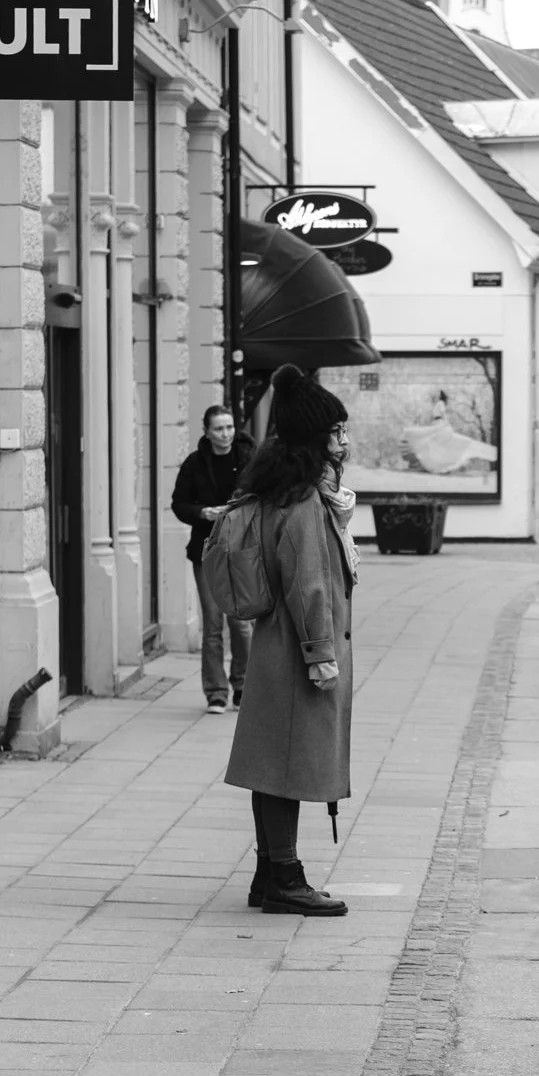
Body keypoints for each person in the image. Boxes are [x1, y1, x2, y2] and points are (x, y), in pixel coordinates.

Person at [222, 365, 356, 918]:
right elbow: (309, 587)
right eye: (336, 433)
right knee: (286, 770)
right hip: (299, 655)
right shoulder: (303, 504)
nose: (345, 442)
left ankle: (267, 876)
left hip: (281, 650)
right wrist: (321, 655)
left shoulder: (291, 493)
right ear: (313, 440)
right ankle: (285, 878)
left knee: (274, 767)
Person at [171, 405, 256, 714]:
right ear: (206, 431)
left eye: (230, 427)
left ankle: (243, 686)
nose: (226, 434)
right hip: (206, 551)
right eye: (219, 428)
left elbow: (263, 497)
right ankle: (216, 693)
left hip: (242, 549)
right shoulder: (194, 464)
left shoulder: (249, 459)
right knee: (212, 623)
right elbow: (179, 504)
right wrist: (203, 512)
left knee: (241, 623)